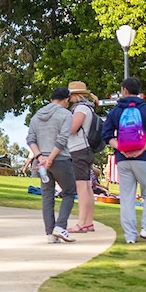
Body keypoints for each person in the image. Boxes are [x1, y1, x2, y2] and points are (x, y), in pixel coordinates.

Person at [99, 77, 146, 243]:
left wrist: (121, 148)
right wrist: (142, 148)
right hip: (144, 158)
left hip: (122, 159)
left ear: (124, 90)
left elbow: (106, 135)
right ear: (139, 92)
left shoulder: (116, 111)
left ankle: (130, 236)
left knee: (127, 196)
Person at [26, 87, 78, 243]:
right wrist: (51, 158)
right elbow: (62, 139)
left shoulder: (37, 115)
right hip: (60, 160)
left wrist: (41, 157)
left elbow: (30, 139)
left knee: (47, 196)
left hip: (41, 162)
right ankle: (60, 226)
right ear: (66, 100)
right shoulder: (66, 114)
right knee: (69, 192)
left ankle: (50, 233)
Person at [66, 81, 100, 233]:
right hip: (86, 149)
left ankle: (82, 222)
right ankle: (88, 221)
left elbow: (72, 129)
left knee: (81, 187)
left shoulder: (80, 109)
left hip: (79, 149)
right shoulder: (89, 108)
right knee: (87, 186)